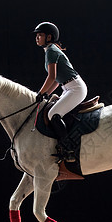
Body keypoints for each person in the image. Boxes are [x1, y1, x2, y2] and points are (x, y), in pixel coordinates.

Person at [33, 22, 88, 162]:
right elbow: (57, 80)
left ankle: (68, 149)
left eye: (40, 35)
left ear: (49, 37)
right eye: (37, 35)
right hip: (69, 87)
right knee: (51, 110)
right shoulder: (49, 50)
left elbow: (51, 77)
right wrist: (46, 93)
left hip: (75, 88)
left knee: (53, 114)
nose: (37, 38)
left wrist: (40, 93)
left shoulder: (51, 51)